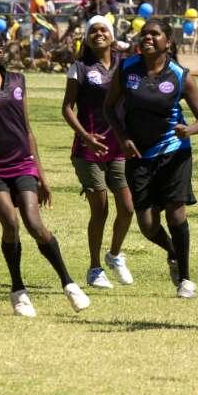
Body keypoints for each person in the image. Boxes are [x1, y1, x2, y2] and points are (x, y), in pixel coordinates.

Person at [0, 25, 91, 317]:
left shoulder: (18, 81)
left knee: (34, 223)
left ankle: (68, 283)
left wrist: (42, 175)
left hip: (22, 164)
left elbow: (27, 131)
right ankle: (18, 291)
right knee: (11, 222)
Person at [103, 18, 198, 298]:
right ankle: (173, 251)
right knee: (148, 225)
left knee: (176, 215)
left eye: (155, 34)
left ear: (168, 42)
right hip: (138, 154)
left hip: (174, 150)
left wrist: (189, 131)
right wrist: (122, 137)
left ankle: (186, 279)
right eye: (144, 33)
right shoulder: (126, 69)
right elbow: (109, 108)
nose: (148, 37)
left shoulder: (180, 75)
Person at [61, 16, 134, 290]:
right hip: (87, 150)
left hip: (118, 146)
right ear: (87, 37)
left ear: (112, 36)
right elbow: (67, 107)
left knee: (127, 207)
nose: (99, 34)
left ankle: (114, 255)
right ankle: (94, 268)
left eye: (103, 29)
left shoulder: (125, 66)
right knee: (100, 210)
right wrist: (86, 137)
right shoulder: (79, 68)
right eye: (93, 30)